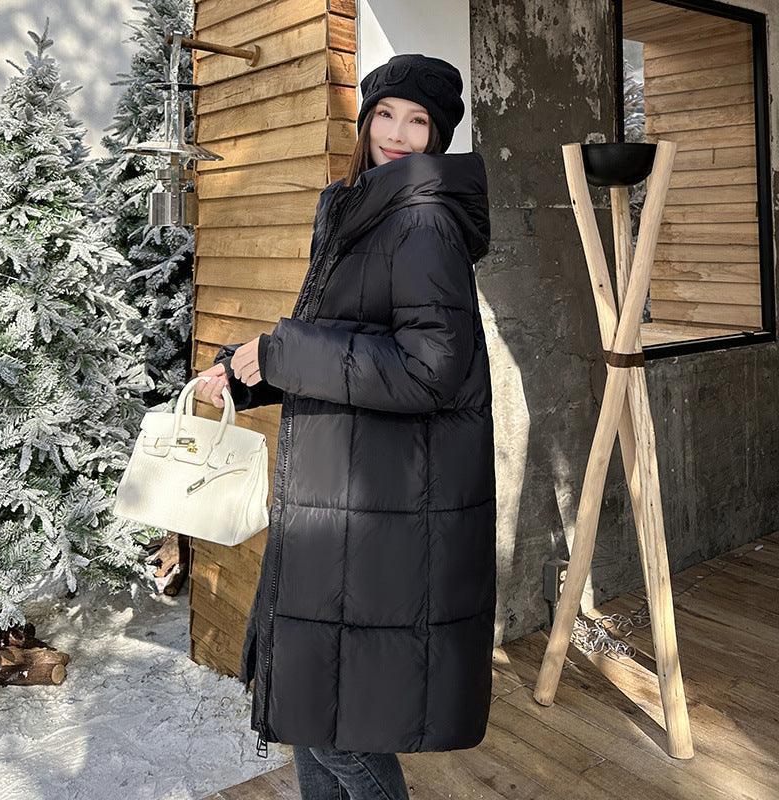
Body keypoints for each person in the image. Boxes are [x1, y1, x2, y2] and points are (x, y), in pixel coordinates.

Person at [195, 53, 496, 800]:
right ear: (365, 121)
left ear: (438, 135)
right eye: (386, 113)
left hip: (384, 501)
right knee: (309, 711)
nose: (398, 131)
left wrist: (283, 351)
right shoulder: (354, 207)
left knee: (337, 731)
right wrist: (244, 371)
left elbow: (430, 368)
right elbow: (339, 340)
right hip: (340, 491)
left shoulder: (422, 219)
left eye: (418, 120)